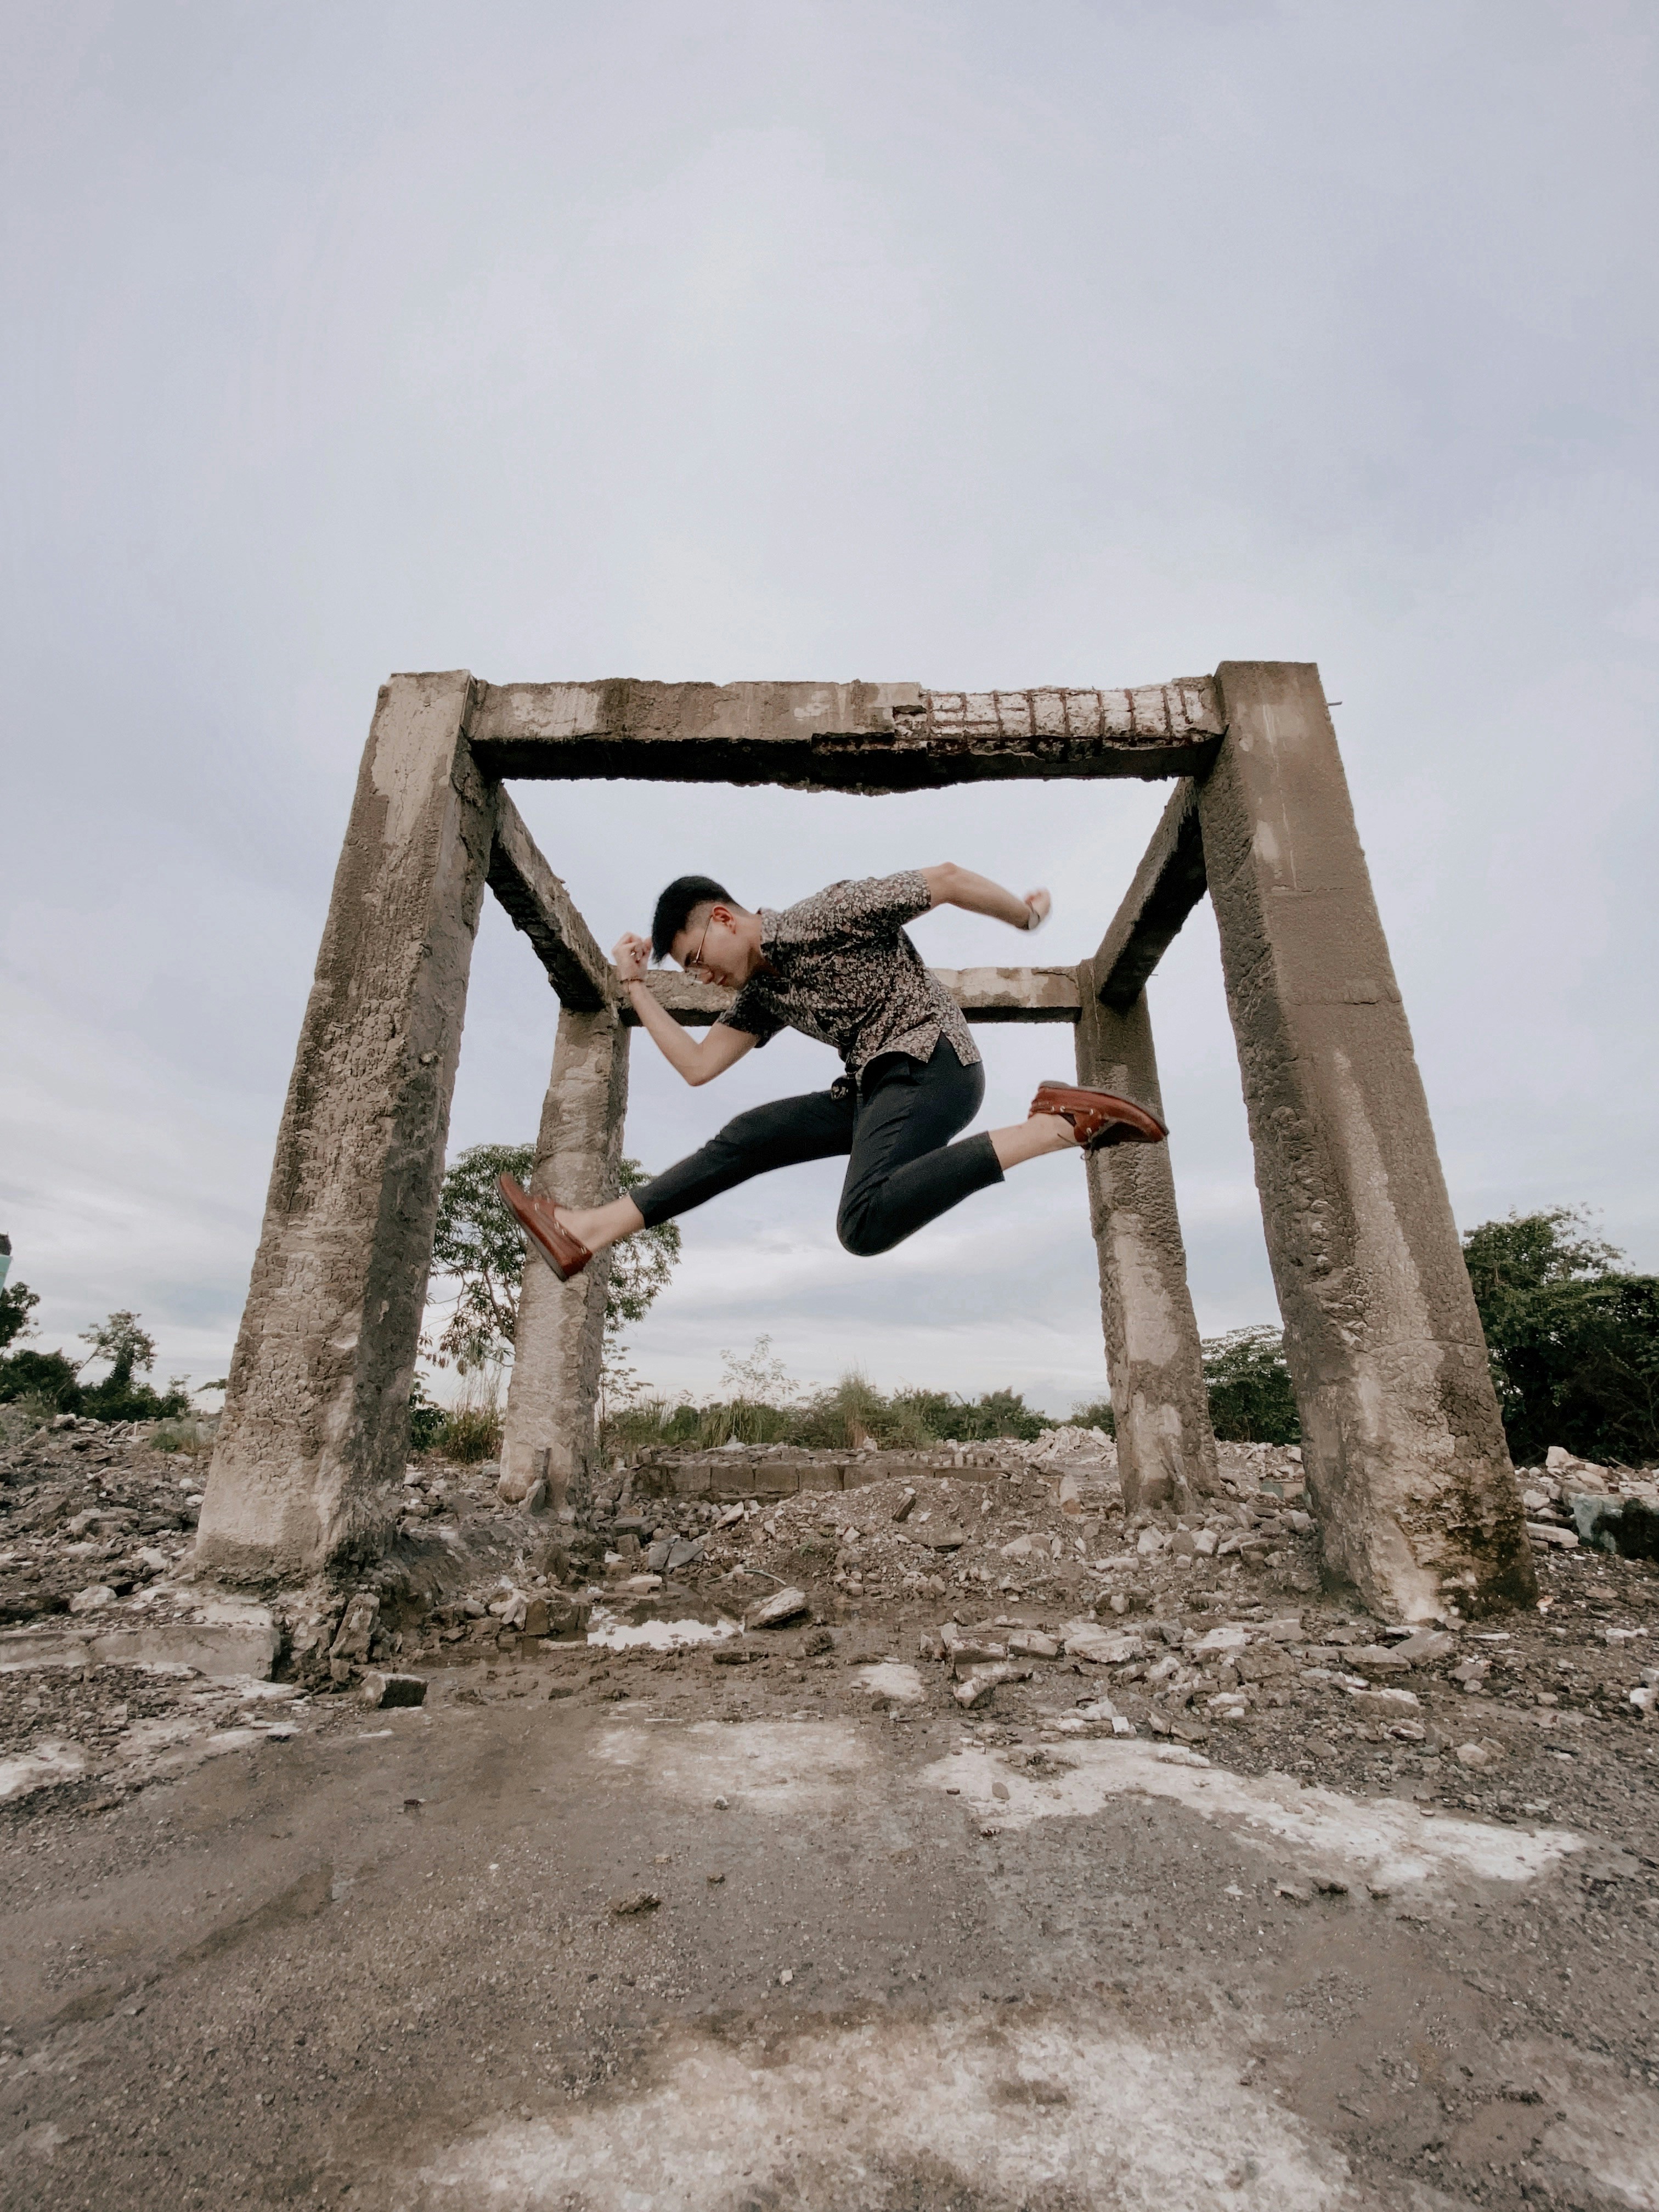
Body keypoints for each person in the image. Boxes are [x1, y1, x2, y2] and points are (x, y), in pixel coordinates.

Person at [499, 865, 1166, 1282]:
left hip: (931, 1063)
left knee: (863, 1223)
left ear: (725, 919)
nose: (704, 979)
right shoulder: (763, 994)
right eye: (692, 974)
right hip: (874, 1087)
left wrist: (1026, 915)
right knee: (748, 1136)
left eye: (699, 960)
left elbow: (948, 881)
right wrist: (636, 985)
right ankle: (587, 1231)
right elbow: (700, 1066)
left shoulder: (826, 915)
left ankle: (1055, 1125)